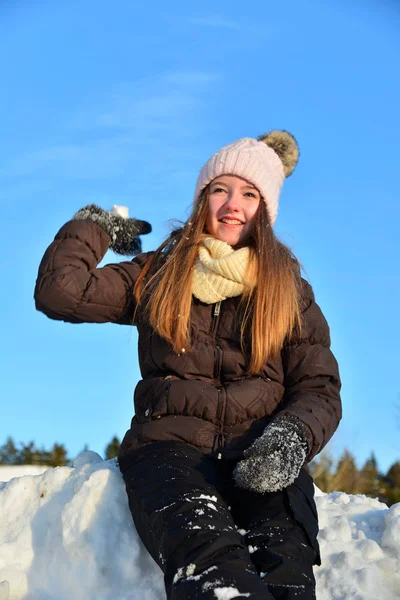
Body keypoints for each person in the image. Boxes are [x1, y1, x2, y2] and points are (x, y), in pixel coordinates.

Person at [34, 130, 342, 600]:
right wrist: (92, 226)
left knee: (288, 575)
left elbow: (318, 385)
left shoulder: (288, 289)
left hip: (263, 454)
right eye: (220, 189)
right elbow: (61, 292)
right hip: (169, 453)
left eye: (249, 193)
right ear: (202, 199)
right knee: (213, 572)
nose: (232, 204)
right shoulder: (161, 271)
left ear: (266, 209)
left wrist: (290, 439)